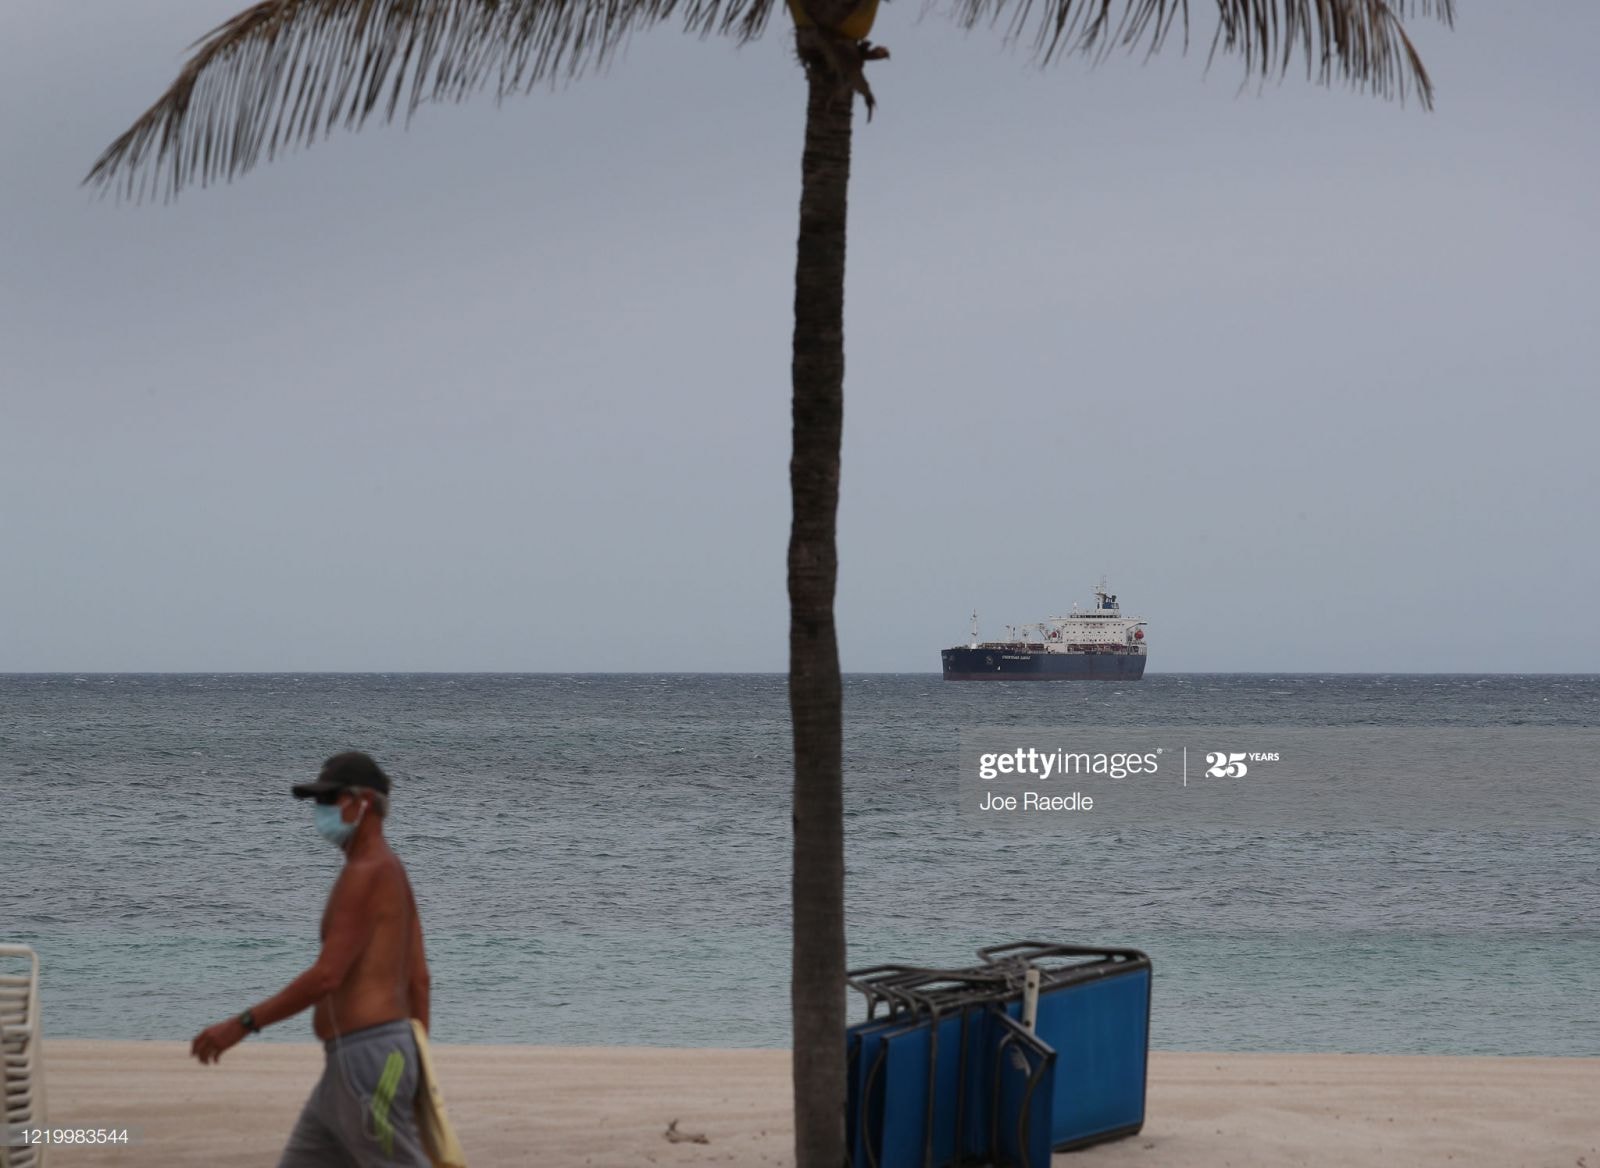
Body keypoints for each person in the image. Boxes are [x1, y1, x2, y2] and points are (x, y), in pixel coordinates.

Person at [190, 750, 433, 1167]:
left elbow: (326, 977)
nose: (320, 811)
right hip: (357, 1063)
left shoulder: (365, 873)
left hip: (369, 1060)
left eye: (329, 800)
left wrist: (242, 1024)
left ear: (362, 803)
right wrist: (415, 1061)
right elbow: (419, 979)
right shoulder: (391, 871)